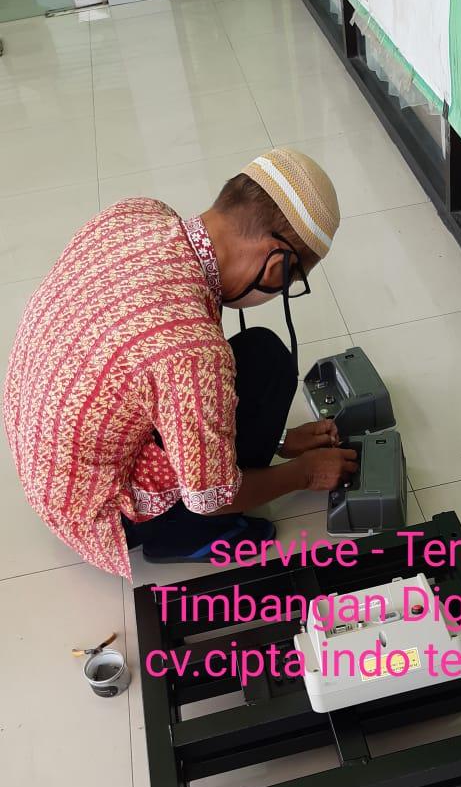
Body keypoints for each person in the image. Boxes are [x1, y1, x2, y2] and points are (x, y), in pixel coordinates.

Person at [2, 148, 358, 580]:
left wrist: (281, 439)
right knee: (268, 366)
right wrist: (303, 474)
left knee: (252, 357)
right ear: (275, 267)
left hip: (45, 465)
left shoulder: (137, 215)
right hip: (96, 513)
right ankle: (183, 536)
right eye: (290, 282)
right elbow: (213, 497)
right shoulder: (192, 350)